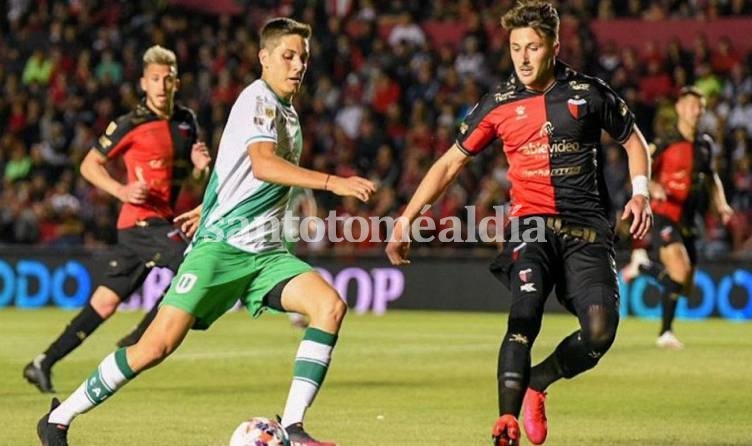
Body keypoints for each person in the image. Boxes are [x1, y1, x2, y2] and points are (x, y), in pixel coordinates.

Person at [36, 18, 375, 446]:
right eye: (288, 56)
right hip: (222, 249)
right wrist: (333, 182)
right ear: (264, 58)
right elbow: (263, 164)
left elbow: (235, 167)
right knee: (154, 347)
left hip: (267, 254)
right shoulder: (258, 99)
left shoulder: (286, 111)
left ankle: (293, 428)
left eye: (303, 57)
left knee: (329, 305)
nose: (297, 65)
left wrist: (207, 204)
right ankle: (59, 419)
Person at [386, 2, 652, 445]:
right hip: (531, 228)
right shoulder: (499, 103)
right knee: (523, 317)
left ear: (554, 46)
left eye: (533, 47)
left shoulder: (589, 93)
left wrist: (640, 191)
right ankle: (505, 423)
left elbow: (634, 141)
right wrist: (405, 220)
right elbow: (450, 163)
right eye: (515, 48)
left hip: (587, 233)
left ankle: (537, 383)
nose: (523, 58)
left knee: (600, 334)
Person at [23, 44, 211, 394]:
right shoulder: (130, 124)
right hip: (139, 222)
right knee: (195, 261)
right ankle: (141, 335)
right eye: (155, 78)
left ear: (177, 83)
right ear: (143, 82)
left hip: (159, 222)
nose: (161, 85)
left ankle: (43, 362)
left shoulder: (186, 121)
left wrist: (201, 169)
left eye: (167, 79)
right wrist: (122, 191)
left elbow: (192, 178)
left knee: (106, 302)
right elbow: (88, 165)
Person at [623, 86, 733, 349]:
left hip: (689, 218)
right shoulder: (665, 142)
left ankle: (643, 267)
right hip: (665, 216)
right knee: (679, 271)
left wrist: (722, 204)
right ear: (680, 109)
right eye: (693, 106)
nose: (697, 112)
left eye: (701, 107)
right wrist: (652, 186)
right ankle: (665, 333)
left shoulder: (704, 145)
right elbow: (641, 167)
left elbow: (711, 177)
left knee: (684, 286)